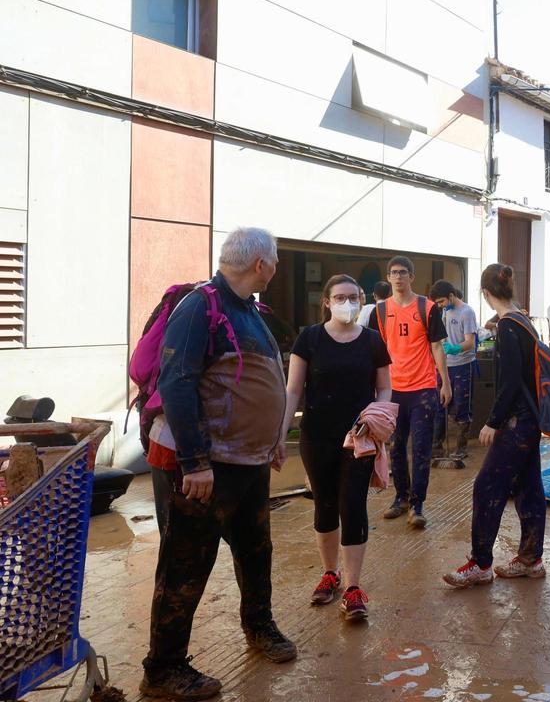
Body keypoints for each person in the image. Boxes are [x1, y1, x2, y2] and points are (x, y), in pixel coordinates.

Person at [143, 227, 295, 701]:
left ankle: (260, 628)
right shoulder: (200, 305)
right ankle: (163, 668)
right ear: (261, 264)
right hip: (205, 467)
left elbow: (253, 383)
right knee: (187, 562)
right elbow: (177, 381)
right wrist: (194, 462)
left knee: (256, 550)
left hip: (245, 463)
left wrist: (271, 439)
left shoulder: (248, 308)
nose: (275, 267)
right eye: (274, 260)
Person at [282, 275, 392, 621]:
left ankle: (354, 587)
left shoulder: (373, 341)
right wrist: (280, 434)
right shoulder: (309, 338)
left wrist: (373, 417)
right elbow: (293, 390)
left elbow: (385, 388)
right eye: (340, 297)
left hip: (358, 437)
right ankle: (330, 573)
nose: (348, 303)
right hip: (316, 436)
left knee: (352, 503)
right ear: (327, 302)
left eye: (353, 297)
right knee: (325, 504)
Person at [443, 264, 547, 588]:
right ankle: (531, 560)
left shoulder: (507, 327)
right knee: (529, 488)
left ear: (485, 294)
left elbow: (511, 381)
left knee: (487, 486)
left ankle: (480, 563)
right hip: (531, 420)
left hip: (516, 424)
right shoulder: (525, 321)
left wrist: (492, 422)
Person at [367, 256, 452, 527]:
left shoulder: (427, 307)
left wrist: (445, 382)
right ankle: (401, 498)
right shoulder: (379, 311)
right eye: (393, 273)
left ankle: (418, 504)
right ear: (388, 277)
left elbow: (437, 347)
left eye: (403, 272)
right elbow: (375, 351)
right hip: (392, 389)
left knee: (421, 448)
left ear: (412, 277)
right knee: (396, 447)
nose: (398, 277)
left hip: (424, 388)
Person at [430, 281, 479, 460]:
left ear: (451, 295)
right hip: (444, 365)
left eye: (441, 301)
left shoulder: (467, 312)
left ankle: (461, 447)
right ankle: (436, 447)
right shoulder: (443, 311)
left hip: (463, 365)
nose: (440, 305)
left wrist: (455, 348)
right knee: (440, 404)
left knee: (461, 406)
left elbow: (470, 342)